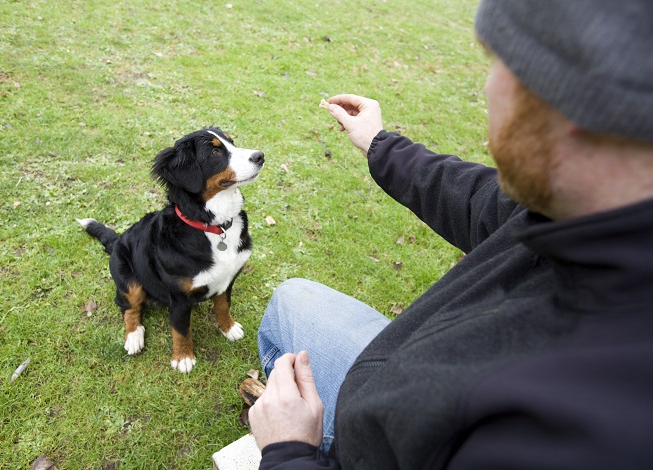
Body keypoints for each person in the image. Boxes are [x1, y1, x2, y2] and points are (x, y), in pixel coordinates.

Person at [248, 0, 653, 468]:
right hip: (396, 387)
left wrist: (287, 452)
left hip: (386, 439)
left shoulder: (571, 429)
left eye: (499, 62)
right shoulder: (596, 212)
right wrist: (382, 145)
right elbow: (487, 204)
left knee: (286, 347)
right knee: (291, 300)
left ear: (572, 101)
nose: (486, 86)